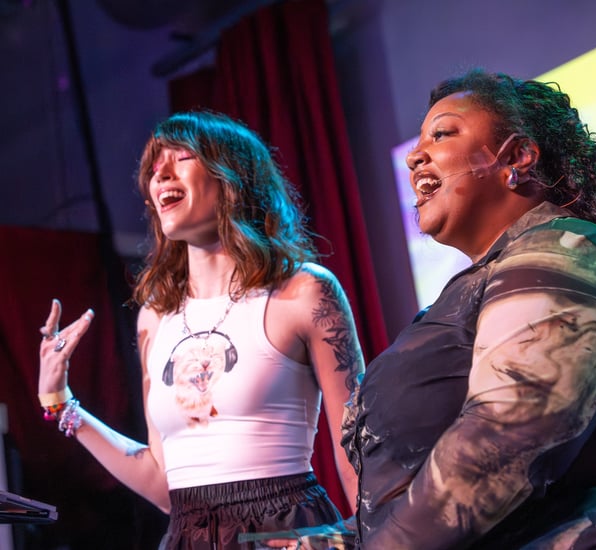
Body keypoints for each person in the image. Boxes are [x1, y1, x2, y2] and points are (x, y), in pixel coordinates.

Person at [270, 68, 596, 549]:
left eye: (442, 134)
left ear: (518, 157)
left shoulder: (564, 256)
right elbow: (406, 505)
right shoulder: (481, 287)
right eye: (419, 142)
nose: (416, 155)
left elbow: (500, 448)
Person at [37, 110, 365, 549]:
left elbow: (358, 452)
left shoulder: (303, 291)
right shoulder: (155, 318)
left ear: (232, 178)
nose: (160, 174)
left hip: (286, 532)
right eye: (155, 167)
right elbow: (163, 484)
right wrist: (61, 403)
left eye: (182, 157)